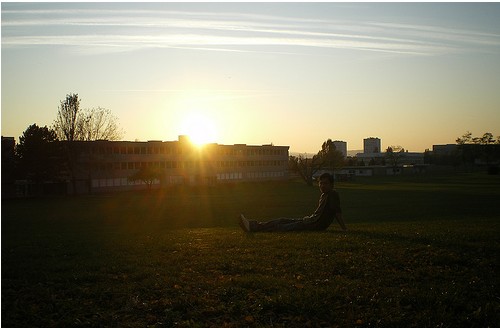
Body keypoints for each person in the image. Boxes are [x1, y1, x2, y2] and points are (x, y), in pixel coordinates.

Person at [239, 172, 347, 232]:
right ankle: (252, 225)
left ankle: (253, 227)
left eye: (326, 183)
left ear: (331, 185)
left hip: (312, 225)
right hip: (309, 221)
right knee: (282, 220)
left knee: (282, 227)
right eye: (321, 183)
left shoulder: (333, 194)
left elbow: (337, 212)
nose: (322, 186)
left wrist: (344, 229)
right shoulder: (325, 195)